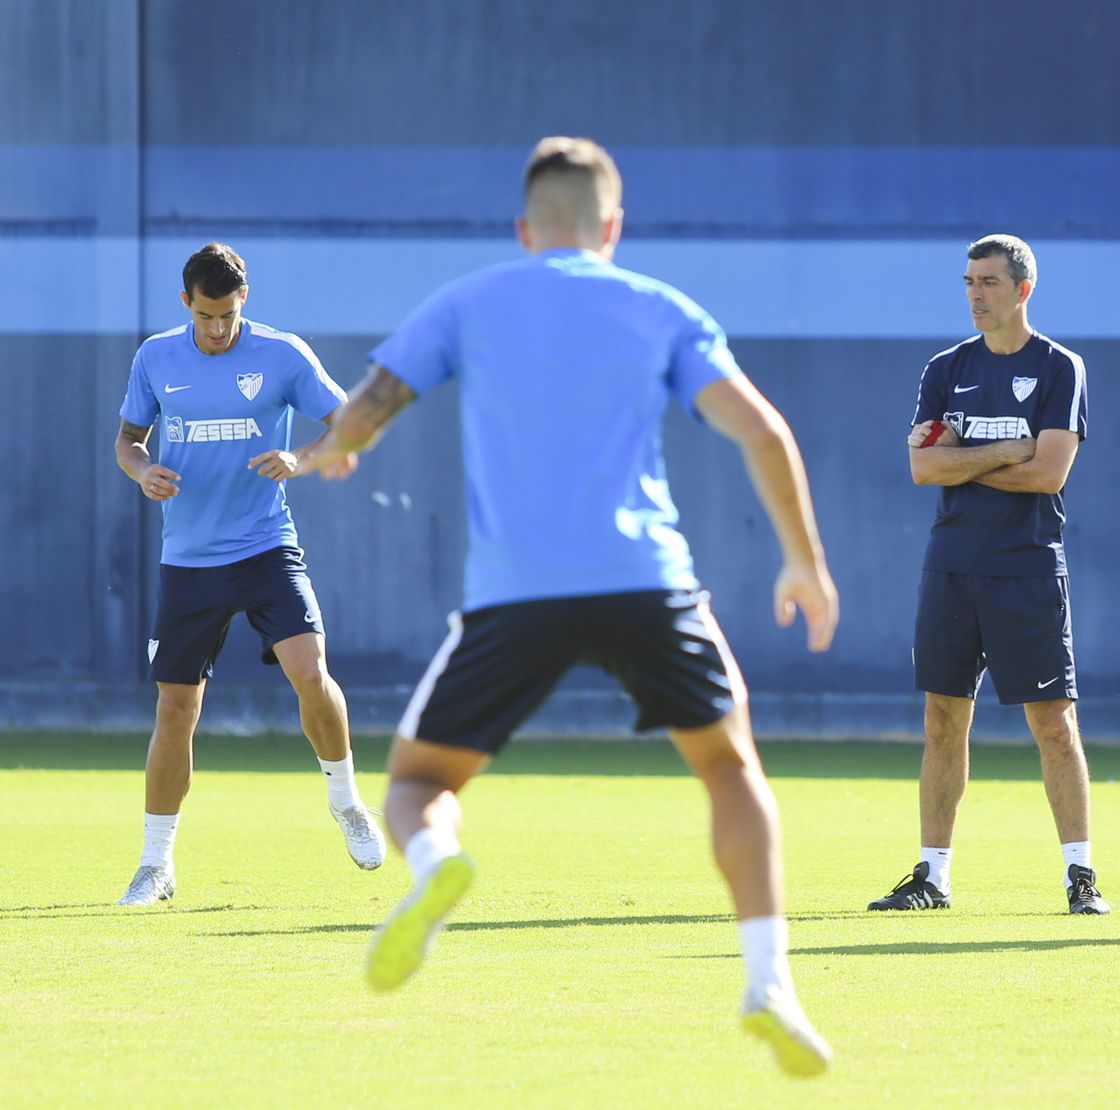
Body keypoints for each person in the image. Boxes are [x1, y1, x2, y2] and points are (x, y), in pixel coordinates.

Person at [298, 137, 840, 1077]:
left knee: (418, 786)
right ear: (613, 228)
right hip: (648, 581)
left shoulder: (468, 300)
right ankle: (769, 980)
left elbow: (368, 405)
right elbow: (763, 429)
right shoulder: (660, 307)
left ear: (523, 230)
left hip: (517, 596)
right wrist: (804, 562)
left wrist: (335, 449)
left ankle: (436, 871)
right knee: (729, 768)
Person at [112, 242, 385, 907]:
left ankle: (346, 802)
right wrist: (143, 471)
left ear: (245, 301)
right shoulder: (155, 357)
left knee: (311, 675)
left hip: (266, 548)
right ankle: (156, 865)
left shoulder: (282, 354)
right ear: (187, 304)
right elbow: (128, 442)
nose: (217, 329)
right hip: (189, 560)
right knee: (175, 709)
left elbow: (351, 426)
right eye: (206, 317)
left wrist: (303, 458)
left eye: (228, 316)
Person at [869, 234, 1107, 916]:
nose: (977, 293)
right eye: (969, 281)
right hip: (952, 565)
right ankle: (932, 876)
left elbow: (1049, 473)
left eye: (990, 282)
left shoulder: (1060, 368)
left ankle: (1081, 877)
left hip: (1027, 569)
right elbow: (922, 469)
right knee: (942, 719)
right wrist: (1007, 444)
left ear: (1023, 290)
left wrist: (962, 455)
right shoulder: (945, 369)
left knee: (1054, 724)